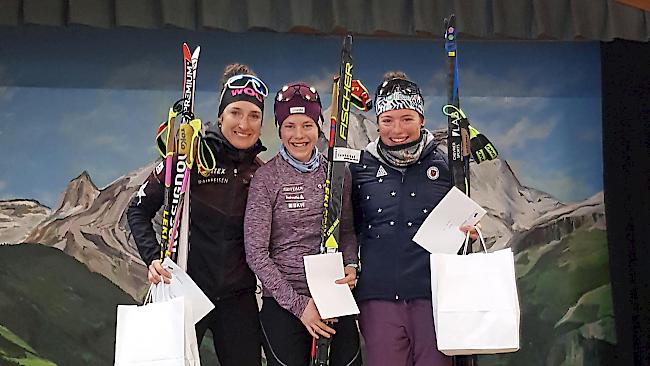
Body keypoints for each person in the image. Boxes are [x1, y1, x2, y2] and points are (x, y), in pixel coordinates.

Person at [127, 63, 268, 366]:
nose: (244, 124)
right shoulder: (189, 156)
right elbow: (137, 209)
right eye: (236, 113)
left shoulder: (261, 173)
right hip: (184, 289)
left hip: (237, 298)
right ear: (221, 116)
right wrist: (152, 257)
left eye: (254, 115)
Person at [350, 71, 479, 366]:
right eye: (387, 120)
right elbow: (349, 228)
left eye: (407, 118)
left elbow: (462, 221)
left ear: (421, 119)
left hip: (433, 298)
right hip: (378, 298)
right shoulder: (361, 167)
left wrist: (468, 232)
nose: (397, 129)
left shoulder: (446, 165)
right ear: (378, 122)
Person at [244, 82, 362, 366]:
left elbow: (345, 229)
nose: (299, 135)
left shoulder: (336, 172)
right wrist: (300, 306)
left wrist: (351, 265)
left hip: (333, 296)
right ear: (279, 129)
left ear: (319, 126)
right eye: (289, 126)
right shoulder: (267, 178)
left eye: (307, 125)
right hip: (286, 303)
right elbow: (256, 253)